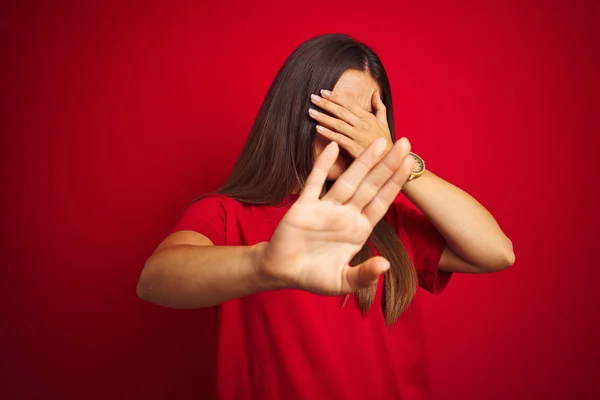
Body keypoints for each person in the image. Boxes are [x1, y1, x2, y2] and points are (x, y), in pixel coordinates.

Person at [137, 34, 515, 399]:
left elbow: (496, 252)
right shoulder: (225, 214)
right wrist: (263, 263)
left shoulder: (384, 220)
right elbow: (155, 281)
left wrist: (397, 162)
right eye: (336, 113)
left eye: (366, 118)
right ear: (293, 113)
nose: (353, 133)